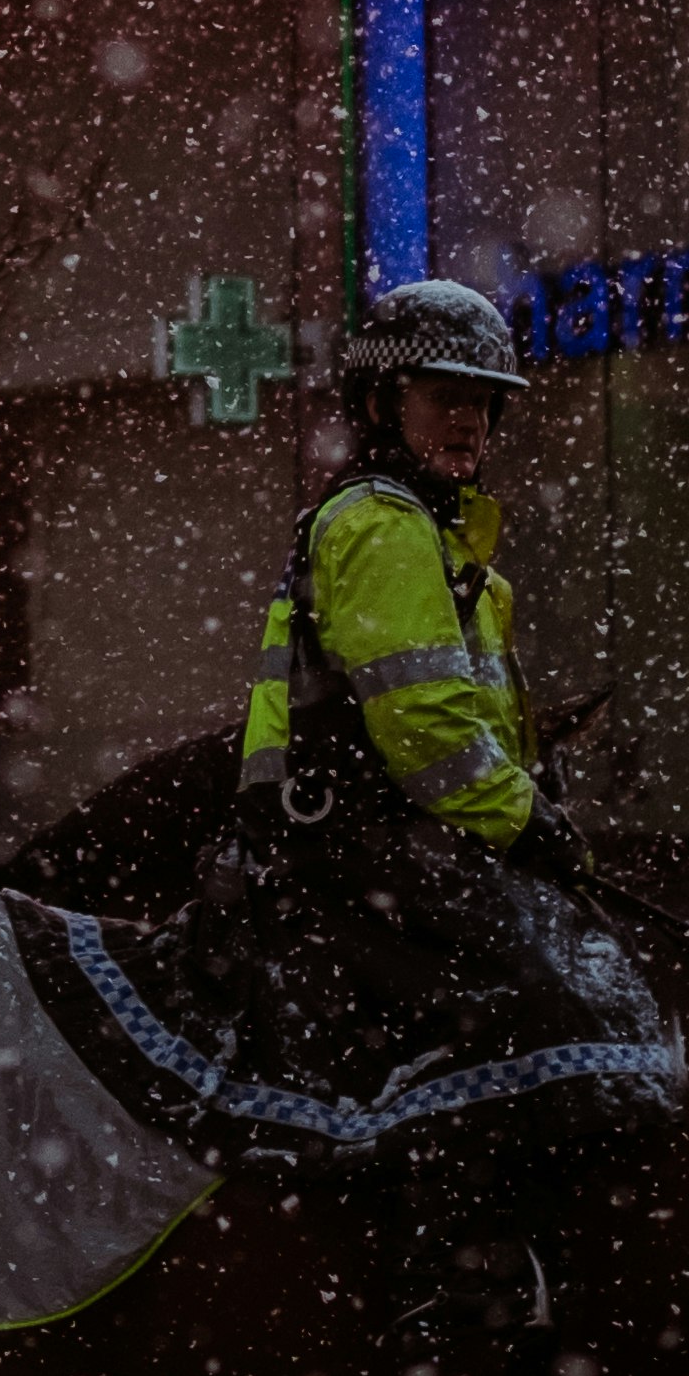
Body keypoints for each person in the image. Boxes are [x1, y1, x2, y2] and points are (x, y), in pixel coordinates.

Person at [228, 277, 587, 1058]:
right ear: (379, 409)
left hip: (392, 843)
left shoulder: (438, 538)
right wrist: (524, 820)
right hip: (363, 848)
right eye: (442, 396)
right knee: (550, 1016)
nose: (468, 418)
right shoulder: (384, 525)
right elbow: (425, 728)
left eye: (482, 401)